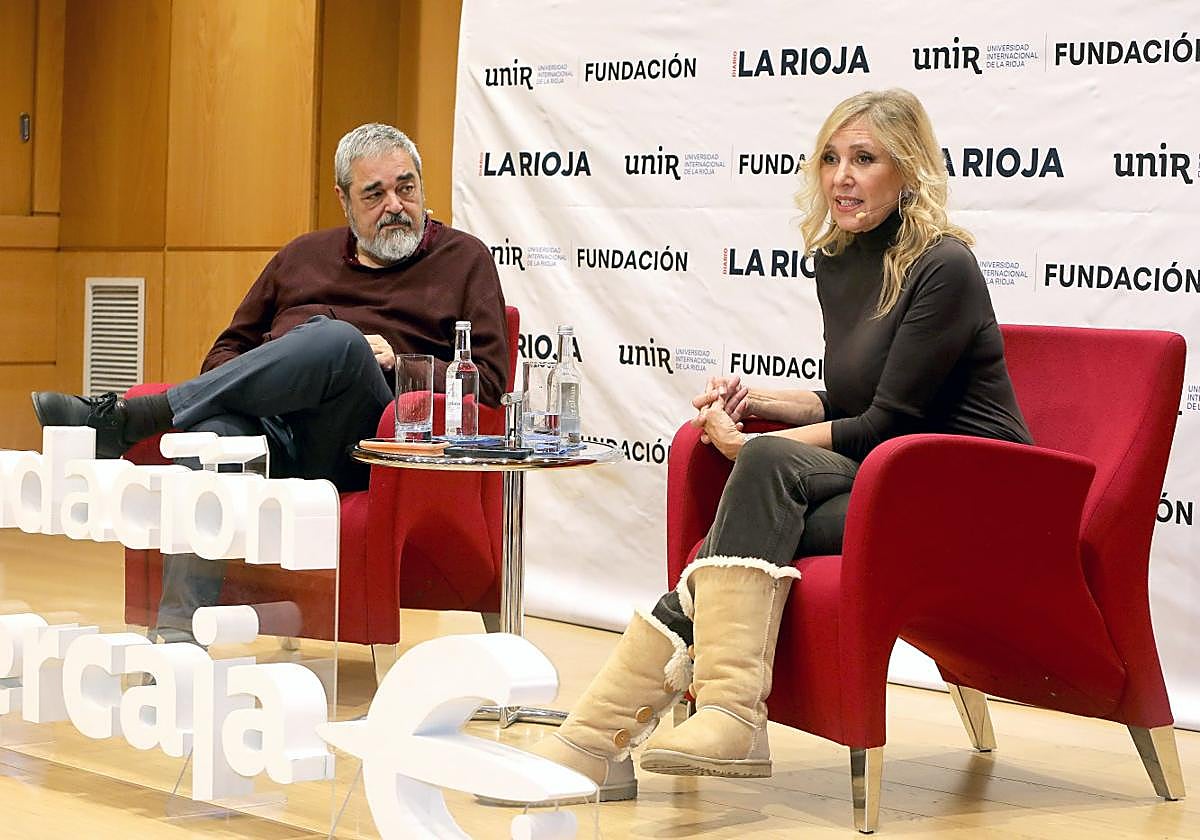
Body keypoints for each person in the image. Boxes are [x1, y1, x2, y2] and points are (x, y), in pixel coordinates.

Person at [518, 89, 1033, 803]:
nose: (841, 177)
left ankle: (617, 735)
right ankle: (664, 728)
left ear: (908, 171)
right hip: (888, 475)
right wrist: (758, 403)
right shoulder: (840, 260)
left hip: (970, 488)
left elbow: (887, 422)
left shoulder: (944, 266)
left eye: (864, 158)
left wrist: (753, 445)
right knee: (751, 527)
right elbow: (852, 403)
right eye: (830, 158)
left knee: (758, 481)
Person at [30, 123, 509, 641]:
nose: (396, 205)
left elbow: (490, 384)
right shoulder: (301, 257)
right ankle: (173, 641)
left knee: (339, 344)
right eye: (375, 193)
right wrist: (281, 370)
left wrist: (401, 362)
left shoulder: (464, 259)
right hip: (272, 439)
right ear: (344, 200)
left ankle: (133, 421)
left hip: (366, 448)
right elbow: (224, 356)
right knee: (212, 439)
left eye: (406, 187)